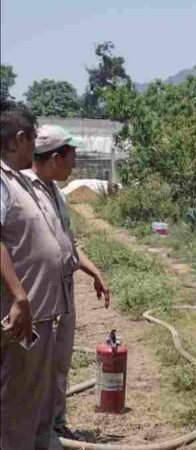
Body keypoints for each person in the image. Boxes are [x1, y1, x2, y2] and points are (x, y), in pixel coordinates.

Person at [23, 125, 111, 441]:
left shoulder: (56, 193)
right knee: (34, 368)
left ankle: (55, 425)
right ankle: (32, 431)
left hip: (63, 292)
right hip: (36, 296)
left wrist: (93, 271)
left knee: (60, 361)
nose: (75, 163)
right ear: (56, 157)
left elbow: (66, 241)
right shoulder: (23, 191)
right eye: (72, 156)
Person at [0, 102, 59, 449]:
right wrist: (20, 296)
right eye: (32, 139)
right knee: (17, 402)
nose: (35, 147)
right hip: (18, 313)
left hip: (33, 312)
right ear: (17, 140)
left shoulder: (17, 180)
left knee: (28, 396)